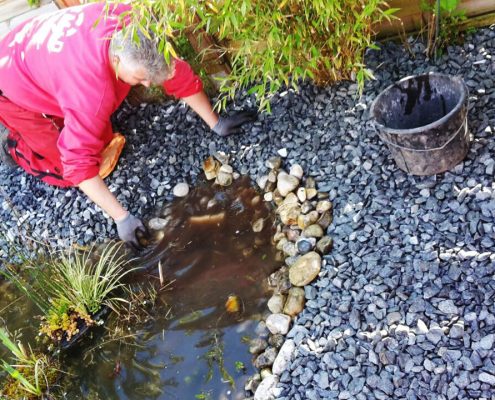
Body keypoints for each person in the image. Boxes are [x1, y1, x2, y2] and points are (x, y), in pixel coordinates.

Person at [0, 2, 256, 246]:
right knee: (66, 166)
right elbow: (76, 165)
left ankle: (57, 112)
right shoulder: (91, 95)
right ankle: (13, 146)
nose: (146, 85)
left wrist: (216, 123)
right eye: (140, 78)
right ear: (118, 60)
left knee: (98, 136)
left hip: (41, 58)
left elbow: (177, 75)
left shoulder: (135, 24)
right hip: (11, 81)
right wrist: (122, 218)